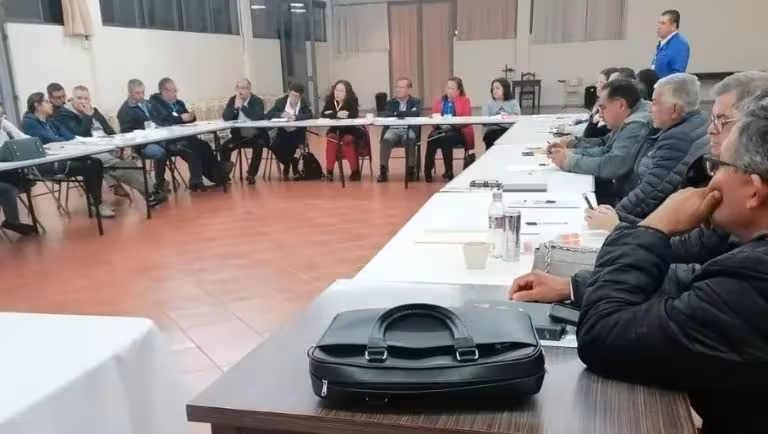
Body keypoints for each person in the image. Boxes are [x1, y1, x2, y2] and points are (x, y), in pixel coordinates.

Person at [584, 73, 708, 230]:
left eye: (655, 103)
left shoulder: (678, 138)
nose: (650, 108)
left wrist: (614, 217)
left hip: (647, 223)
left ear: (674, 109)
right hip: (647, 216)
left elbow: (650, 192)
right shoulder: (693, 123)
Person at [55, 85, 166, 207]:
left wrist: (119, 144)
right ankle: (151, 191)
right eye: (79, 98)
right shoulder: (64, 115)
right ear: (72, 99)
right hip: (88, 151)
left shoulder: (94, 111)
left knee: (129, 160)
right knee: (121, 165)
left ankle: (150, 192)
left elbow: (109, 130)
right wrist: (87, 116)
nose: (83, 102)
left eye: (86, 99)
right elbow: (80, 134)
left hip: (107, 146)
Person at [548, 79, 652, 204]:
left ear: (620, 105)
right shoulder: (631, 117)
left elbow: (612, 165)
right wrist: (570, 152)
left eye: (603, 108)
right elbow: (605, 148)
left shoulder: (637, 123)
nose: (600, 115)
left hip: (626, 201)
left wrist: (569, 161)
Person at [21, 92, 114, 217]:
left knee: (96, 162)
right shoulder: (29, 123)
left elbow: (70, 137)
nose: (50, 104)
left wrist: (65, 140)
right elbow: (50, 140)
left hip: (63, 156)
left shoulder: (50, 121)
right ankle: (96, 204)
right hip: (47, 164)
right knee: (89, 166)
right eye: (47, 102)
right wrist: (63, 140)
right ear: (37, 105)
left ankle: (95, 201)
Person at [149, 77, 232, 191]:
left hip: (185, 137)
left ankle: (219, 174)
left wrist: (191, 117)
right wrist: (180, 118)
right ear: (164, 91)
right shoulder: (155, 105)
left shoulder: (179, 103)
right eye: (173, 90)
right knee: (192, 148)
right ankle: (196, 182)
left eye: (176, 90)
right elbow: (163, 121)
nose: (176, 93)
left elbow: (189, 118)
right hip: (169, 141)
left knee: (204, 145)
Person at [116, 78, 173, 193]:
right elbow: (126, 134)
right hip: (142, 145)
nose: (141, 96)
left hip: (159, 138)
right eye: (137, 93)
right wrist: (142, 133)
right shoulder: (124, 111)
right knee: (159, 152)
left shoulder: (149, 104)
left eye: (143, 92)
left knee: (176, 145)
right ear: (130, 92)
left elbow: (161, 118)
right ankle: (160, 182)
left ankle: (162, 182)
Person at [425, 76, 474, 182]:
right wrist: (434, 118)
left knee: (446, 138)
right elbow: (434, 116)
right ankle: (427, 170)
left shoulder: (465, 101)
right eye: (448, 88)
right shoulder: (439, 101)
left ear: (458, 91)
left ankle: (449, 170)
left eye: (452, 88)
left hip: (458, 131)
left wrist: (452, 125)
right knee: (431, 137)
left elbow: (466, 118)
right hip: (440, 129)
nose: (449, 90)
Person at [221, 78, 270, 185]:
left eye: (243, 88)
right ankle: (224, 175)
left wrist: (242, 107)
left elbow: (257, 117)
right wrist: (235, 107)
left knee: (258, 145)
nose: (241, 91)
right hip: (238, 136)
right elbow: (225, 117)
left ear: (249, 89)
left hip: (256, 135)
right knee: (224, 147)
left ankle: (251, 174)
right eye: (238, 88)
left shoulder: (256, 100)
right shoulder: (233, 100)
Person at [0, 101, 36, 235]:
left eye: (1, 115)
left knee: (27, 180)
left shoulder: (4, 124)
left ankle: (11, 221)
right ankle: (12, 222)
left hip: (8, 172)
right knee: (7, 189)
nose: (1, 119)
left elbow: (24, 138)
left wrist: (34, 143)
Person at [265, 82, 314, 180]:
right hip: (283, 132)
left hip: (298, 133)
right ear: (288, 93)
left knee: (290, 146)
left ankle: (290, 165)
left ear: (300, 96)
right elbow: (269, 114)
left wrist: (296, 117)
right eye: (291, 95)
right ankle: (290, 162)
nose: (293, 98)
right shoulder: (281, 102)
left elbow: (309, 115)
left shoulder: (304, 103)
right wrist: (281, 114)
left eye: (296, 96)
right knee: (273, 146)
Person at [378, 77, 422, 183]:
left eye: (401, 87)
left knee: (410, 139)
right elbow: (385, 114)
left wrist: (398, 114)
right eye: (397, 87)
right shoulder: (391, 102)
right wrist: (404, 114)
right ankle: (383, 170)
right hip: (392, 129)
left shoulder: (415, 101)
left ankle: (411, 170)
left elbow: (416, 113)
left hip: (408, 128)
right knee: (386, 140)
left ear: (409, 89)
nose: (398, 90)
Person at [321, 80, 365, 182]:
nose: (338, 93)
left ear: (347, 93)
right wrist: (337, 114)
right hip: (334, 130)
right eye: (336, 90)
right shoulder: (330, 100)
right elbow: (323, 113)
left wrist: (332, 114)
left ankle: (355, 171)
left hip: (349, 130)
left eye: (341, 91)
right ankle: (329, 171)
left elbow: (353, 114)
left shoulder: (352, 100)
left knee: (347, 140)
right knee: (331, 139)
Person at [481, 78, 521, 150]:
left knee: (508, 137)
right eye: (493, 89)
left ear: (505, 89)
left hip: (509, 131)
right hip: (492, 131)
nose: (495, 91)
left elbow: (517, 118)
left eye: (497, 88)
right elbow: (484, 121)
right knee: (494, 137)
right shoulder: (488, 103)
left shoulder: (513, 103)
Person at [580, 67, 618, 139]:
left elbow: (589, 135)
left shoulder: (611, 108)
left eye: (601, 82)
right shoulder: (600, 103)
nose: (597, 85)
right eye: (597, 82)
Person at [652, 9, 690, 78]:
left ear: (673, 26)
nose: (658, 27)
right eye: (658, 23)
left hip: (666, 84)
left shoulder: (680, 45)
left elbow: (677, 76)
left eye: (663, 23)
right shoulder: (663, 43)